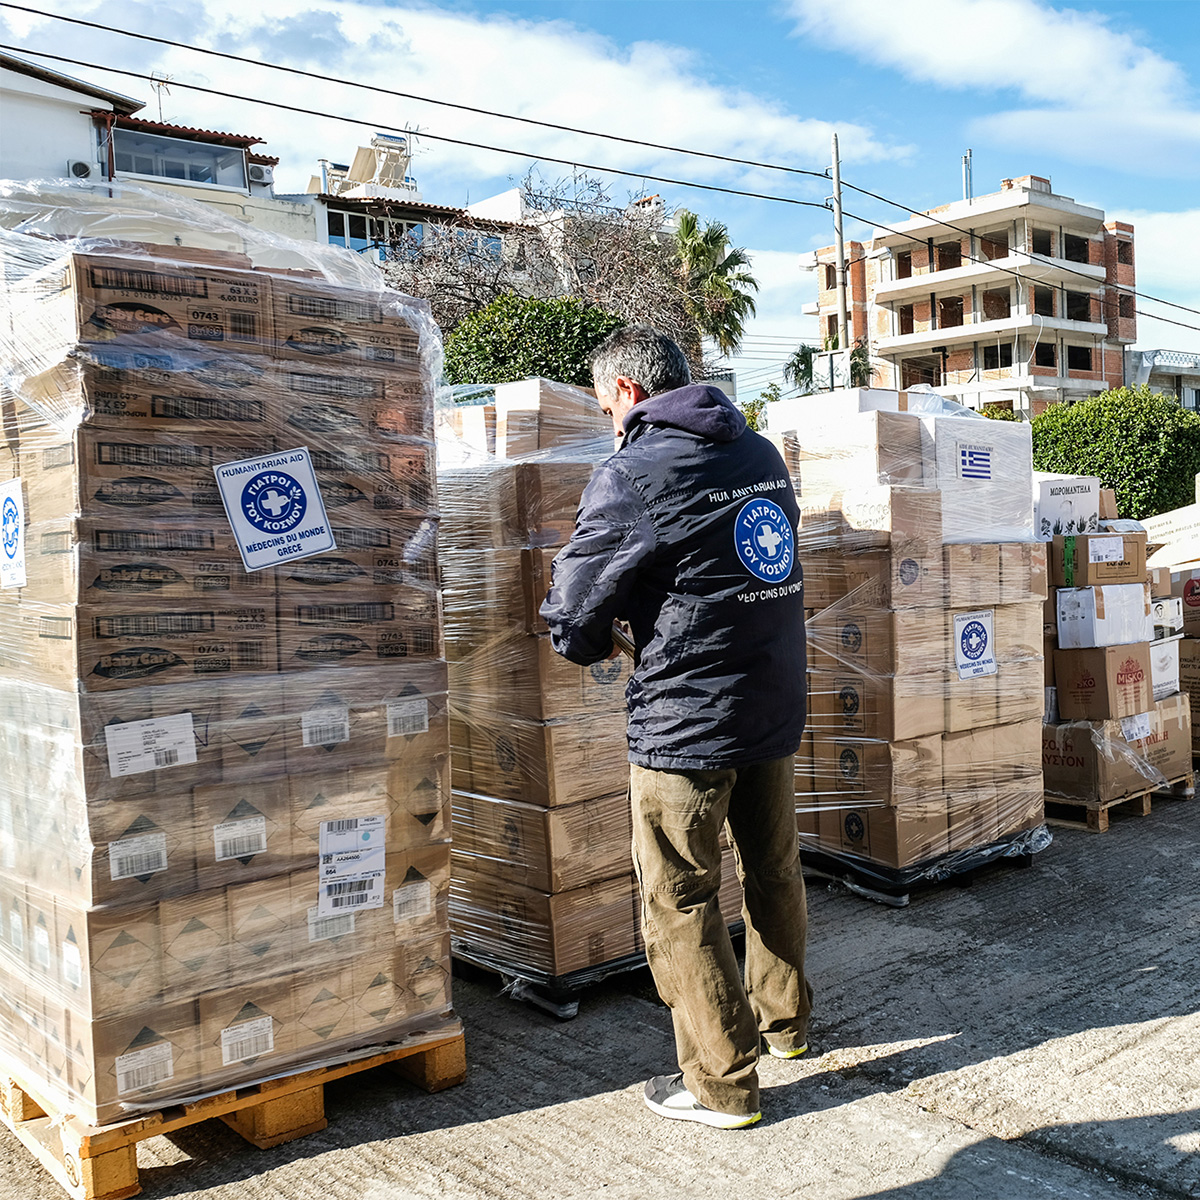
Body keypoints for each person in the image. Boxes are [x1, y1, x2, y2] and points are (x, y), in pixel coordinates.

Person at [540, 325, 811, 1130]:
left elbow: (575, 606)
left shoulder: (632, 471)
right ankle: (786, 1027)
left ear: (625, 392)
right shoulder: (758, 453)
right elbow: (756, 557)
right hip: (770, 695)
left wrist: (590, 640)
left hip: (687, 720)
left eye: (603, 405)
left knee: (680, 897)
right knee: (772, 868)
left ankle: (721, 1085)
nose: (606, 421)